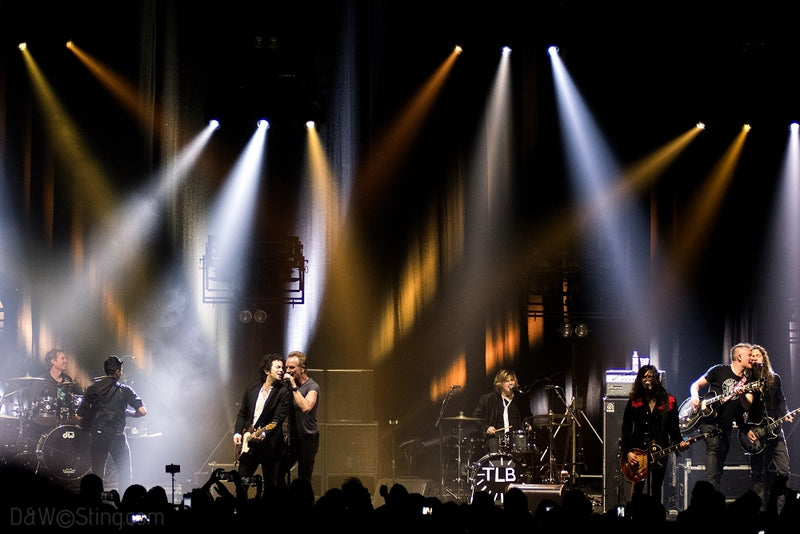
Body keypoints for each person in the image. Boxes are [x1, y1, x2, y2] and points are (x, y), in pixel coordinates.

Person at [688, 342, 755, 490]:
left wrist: (742, 394)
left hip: (725, 428)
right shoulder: (718, 370)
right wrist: (694, 397)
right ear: (739, 357)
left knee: (718, 468)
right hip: (709, 422)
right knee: (713, 448)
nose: (752, 358)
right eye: (749, 355)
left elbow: (747, 405)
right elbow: (695, 385)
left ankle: (712, 497)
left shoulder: (748, 382)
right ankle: (710, 498)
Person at [619, 364, 689, 505]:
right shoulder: (634, 401)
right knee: (637, 487)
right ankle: (634, 516)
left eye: (650, 376)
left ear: (656, 379)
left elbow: (673, 427)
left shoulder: (669, 401)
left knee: (656, 487)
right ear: (639, 380)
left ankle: (654, 518)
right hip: (638, 450)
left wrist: (680, 441)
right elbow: (626, 428)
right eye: (644, 377)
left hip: (661, 450)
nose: (647, 379)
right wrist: (628, 451)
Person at [75, 355, 146, 490]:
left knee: (97, 474)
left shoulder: (92, 389)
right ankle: (124, 503)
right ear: (118, 372)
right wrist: (129, 413)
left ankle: (96, 504)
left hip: (98, 435)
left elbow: (79, 416)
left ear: (105, 371)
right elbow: (142, 412)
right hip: (117, 436)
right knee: (124, 472)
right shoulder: (125, 390)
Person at [740, 344, 793, 507]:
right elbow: (743, 407)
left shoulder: (774, 379)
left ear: (764, 358)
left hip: (775, 430)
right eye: (752, 356)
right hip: (756, 431)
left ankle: (781, 508)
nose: (755, 357)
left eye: (758, 355)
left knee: (783, 469)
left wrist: (786, 413)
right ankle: (759, 510)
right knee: (757, 473)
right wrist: (746, 428)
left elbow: (781, 401)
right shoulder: (747, 381)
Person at [233, 353, 290, 490]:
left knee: (271, 486)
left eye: (282, 368)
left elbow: (277, 420)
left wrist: (263, 434)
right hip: (250, 444)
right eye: (277, 367)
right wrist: (237, 433)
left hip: (271, 446)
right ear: (266, 371)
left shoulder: (283, 392)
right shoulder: (252, 389)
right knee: (242, 483)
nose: (281, 370)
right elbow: (242, 413)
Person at [280, 350, 320, 485]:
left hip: (308, 438)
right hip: (293, 439)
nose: (288, 370)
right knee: (278, 472)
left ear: (302, 369)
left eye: (292, 367)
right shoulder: (287, 387)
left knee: (304, 477)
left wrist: (293, 386)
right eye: (286, 367)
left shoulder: (312, 387)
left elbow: (306, 407)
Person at [472, 369, 531, 455]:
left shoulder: (520, 400)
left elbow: (528, 417)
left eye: (512, 380)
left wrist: (528, 424)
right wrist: (487, 428)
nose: (510, 383)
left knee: (531, 452)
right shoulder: (489, 398)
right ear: (500, 383)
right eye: (507, 381)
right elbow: (476, 418)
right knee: (495, 452)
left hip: (515, 437)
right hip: (495, 436)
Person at [31, 348, 83, 426]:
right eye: (62, 358)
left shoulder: (68, 379)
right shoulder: (42, 380)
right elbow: (33, 400)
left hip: (65, 421)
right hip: (46, 421)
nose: (66, 361)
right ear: (53, 361)